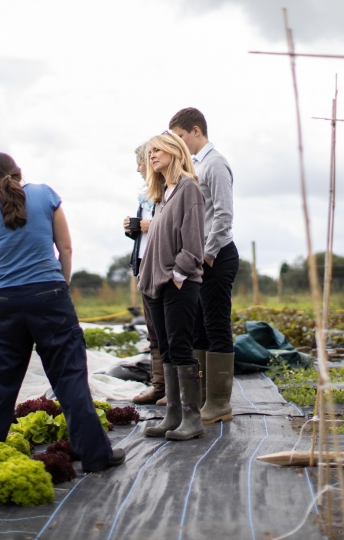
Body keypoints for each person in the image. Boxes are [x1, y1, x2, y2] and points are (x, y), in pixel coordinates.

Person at [0, 151, 124, 472]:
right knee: (69, 376)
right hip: (49, 296)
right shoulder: (46, 195)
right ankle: (96, 456)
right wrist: (60, 285)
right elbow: (65, 248)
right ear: (18, 171)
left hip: (3, 304)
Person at [169, 107, 238, 425]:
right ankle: (199, 397)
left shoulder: (216, 164)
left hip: (217, 256)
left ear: (196, 131)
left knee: (215, 324)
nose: (179, 143)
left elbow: (223, 214)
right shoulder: (193, 167)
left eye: (180, 137)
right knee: (196, 325)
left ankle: (220, 403)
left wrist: (208, 254)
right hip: (199, 259)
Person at [138, 132, 206, 441]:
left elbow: (192, 242)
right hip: (155, 284)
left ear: (174, 151)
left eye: (157, 150)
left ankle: (192, 419)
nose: (152, 155)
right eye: (150, 152)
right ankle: (173, 414)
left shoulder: (188, 189)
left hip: (177, 283)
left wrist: (178, 275)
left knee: (180, 347)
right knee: (166, 349)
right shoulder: (163, 194)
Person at [122, 142, 166, 405]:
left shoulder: (172, 190)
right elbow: (147, 234)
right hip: (145, 265)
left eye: (141, 163)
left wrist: (151, 225)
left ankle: (175, 390)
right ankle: (159, 385)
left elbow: (172, 226)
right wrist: (134, 229)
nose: (138, 169)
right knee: (153, 330)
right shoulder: (145, 196)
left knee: (167, 331)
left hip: (162, 267)